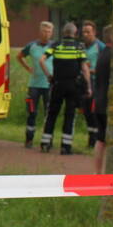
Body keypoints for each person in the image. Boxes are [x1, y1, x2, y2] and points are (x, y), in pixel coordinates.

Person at [38, 22, 91, 155]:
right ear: (75, 33)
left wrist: (49, 75)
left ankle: (45, 143)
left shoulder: (56, 45)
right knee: (70, 115)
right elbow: (84, 68)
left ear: (63, 33)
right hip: (73, 86)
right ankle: (65, 147)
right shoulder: (79, 47)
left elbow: (41, 60)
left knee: (51, 113)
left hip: (57, 84)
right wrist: (88, 86)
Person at [16, 20, 55, 148]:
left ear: (52, 33)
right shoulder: (31, 46)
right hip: (34, 86)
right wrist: (28, 68)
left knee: (49, 114)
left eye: (49, 31)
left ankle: (47, 141)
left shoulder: (55, 46)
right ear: (40, 31)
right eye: (44, 31)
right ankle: (29, 139)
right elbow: (19, 56)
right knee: (32, 113)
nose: (46, 34)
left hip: (49, 86)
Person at [80, 20, 107, 149]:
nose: (85, 34)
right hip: (84, 83)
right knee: (85, 111)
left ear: (94, 32)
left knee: (94, 111)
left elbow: (105, 66)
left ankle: (96, 139)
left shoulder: (100, 46)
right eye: (84, 32)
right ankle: (91, 136)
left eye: (88, 32)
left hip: (96, 83)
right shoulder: (81, 46)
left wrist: (89, 70)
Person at [92, 25, 113, 173]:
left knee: (101, 139)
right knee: (111, 140)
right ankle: (110, 173)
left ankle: (97, 173)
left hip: (99, 101)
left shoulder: (103, 53)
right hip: (109, 104)